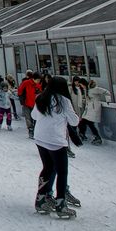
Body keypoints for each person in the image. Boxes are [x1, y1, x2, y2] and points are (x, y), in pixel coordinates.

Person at [32, 76, 80, 218]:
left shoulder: (41, 98)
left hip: (40, 138)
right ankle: (61, 203)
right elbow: (74, 121)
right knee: (62, 171)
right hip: (55, 140)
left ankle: (40, 198)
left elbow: (34, 116)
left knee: (47, 168)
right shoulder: (63, 101)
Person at [78, 79, 108, 144]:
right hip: (89, 109)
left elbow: (106, 92)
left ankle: (88, 135)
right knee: (87, 123)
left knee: (86, 123)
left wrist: (108, 100)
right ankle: (85, 134)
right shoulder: (87, 90)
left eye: (81, 85)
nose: (81, 86)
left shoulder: (94, 89)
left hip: (94, 109)